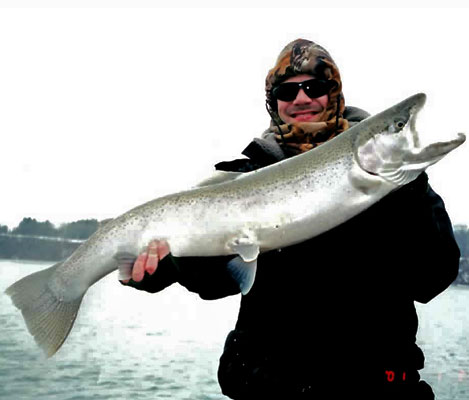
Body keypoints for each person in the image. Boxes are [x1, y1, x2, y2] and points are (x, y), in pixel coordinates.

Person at [120, 39, 460, 399]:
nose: (301, 99)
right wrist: (159, 268)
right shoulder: (244, 176)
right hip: (270, 388)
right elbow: (215, 281)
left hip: (377, 388)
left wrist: (406, 187)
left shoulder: (397, 183)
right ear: (274, 102)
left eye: (315, 87)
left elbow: (433, 277)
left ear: (335, 93)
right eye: (287, 91)